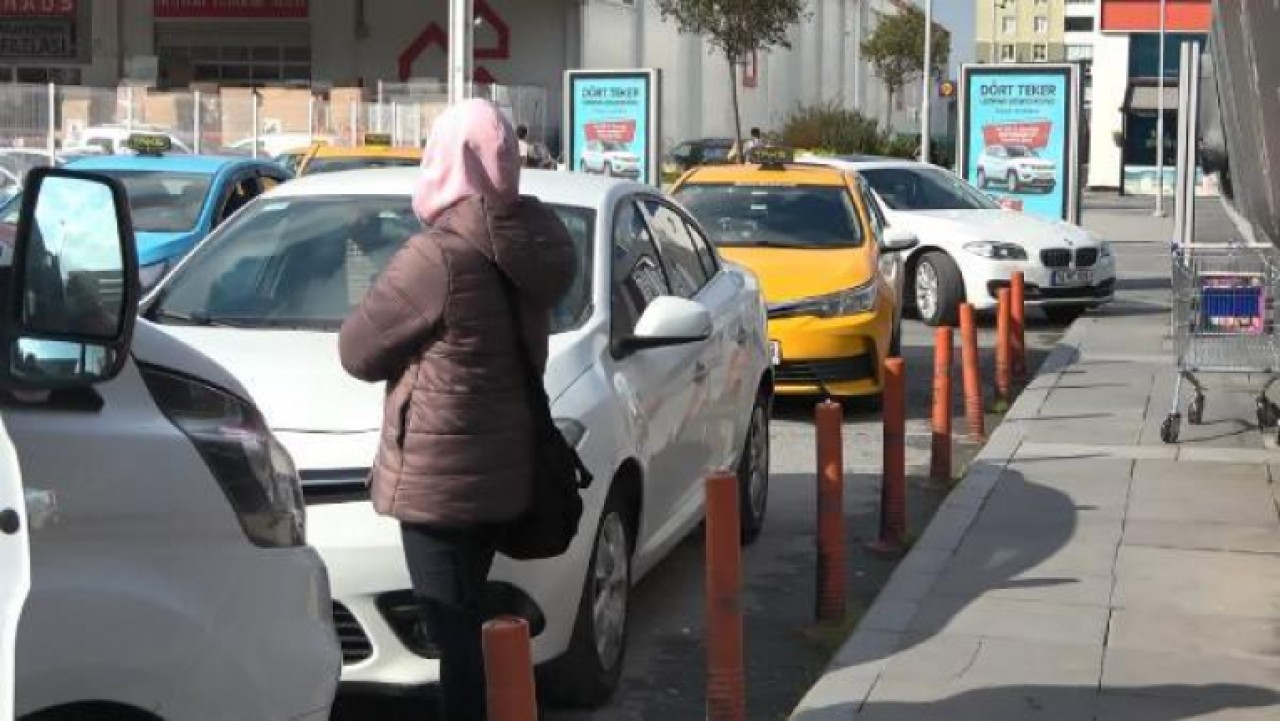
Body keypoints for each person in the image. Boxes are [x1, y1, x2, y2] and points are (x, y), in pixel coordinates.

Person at [338, 99, 576, 721]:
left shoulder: (436, 256)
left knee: (454, 637)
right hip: (506, 473)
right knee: (469, 623)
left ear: (444, 161)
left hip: (440, 485)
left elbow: (356, 351)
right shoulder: (532, 244)